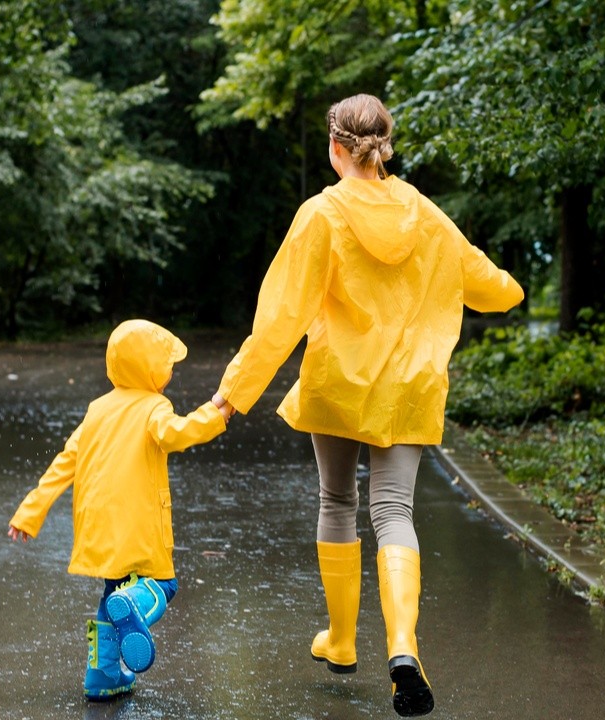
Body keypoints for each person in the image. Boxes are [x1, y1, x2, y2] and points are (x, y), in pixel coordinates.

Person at [211, 94, 523, 717]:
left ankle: (344, 639)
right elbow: (498, 291)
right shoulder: (425, 214)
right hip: (408, 389)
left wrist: (232, 393)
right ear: (386, 147)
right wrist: (491, 287)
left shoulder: (320, 215)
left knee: (338, 501)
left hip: (338, 384)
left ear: (334, 149)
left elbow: (279, 322)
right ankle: (403, 647)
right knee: (394, 511)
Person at [8, 319, 228, 700]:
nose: (170, 375)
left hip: (101, 526)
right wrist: (216, 413)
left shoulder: (96, 410)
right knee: (161, 585)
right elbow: (176, 434)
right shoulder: (154, 407)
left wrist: (30, 512)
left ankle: (103, 676)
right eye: (166, 367)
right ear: (151, 370)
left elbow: (66, 462)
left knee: (113, 593)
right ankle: (137, 605)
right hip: (140, 525)